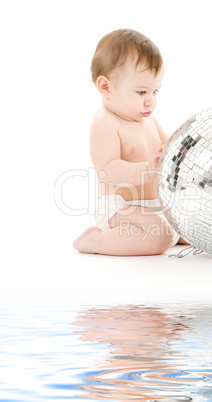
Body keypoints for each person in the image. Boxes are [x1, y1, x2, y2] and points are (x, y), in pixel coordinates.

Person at [73, 28, 189, 256]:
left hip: (157, 204)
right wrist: (148, 170)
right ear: (106, 87)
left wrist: (183, 150)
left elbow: (169, 147)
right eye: (141, 92)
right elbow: (107, 170)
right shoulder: (105, 122)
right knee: (160, 237)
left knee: (193, 224)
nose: (150, 102)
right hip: (121, 208)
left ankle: (172, 232)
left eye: (155, 91)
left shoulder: (148, 119)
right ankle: (96, 240)